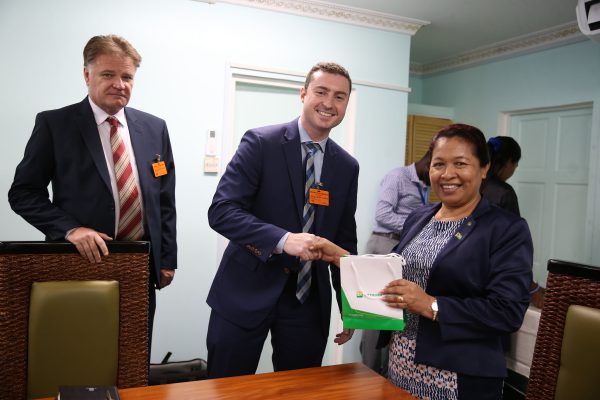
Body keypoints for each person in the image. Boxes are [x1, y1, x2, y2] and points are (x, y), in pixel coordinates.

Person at [8, 34, 177, 348]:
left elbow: (164, 199)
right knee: (78, 351)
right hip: (79, 262)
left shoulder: (155, 128)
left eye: (127, 76)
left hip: (139, 264)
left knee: (132, 354)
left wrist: (167, 259)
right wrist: (70, 229)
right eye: (108, 75)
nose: (119, 84)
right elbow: (23, 193)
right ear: (87, 75)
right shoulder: (55, 125)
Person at [206, 62, 359, 378]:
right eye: (321, 92)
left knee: (300, 392)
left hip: (307, 302)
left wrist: (351, 306)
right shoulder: (261, 143)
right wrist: (283, 239)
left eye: (340, 96)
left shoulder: (347, 167)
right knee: (225, 388)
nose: (329, 103)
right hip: (245, 290)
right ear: (303, 94)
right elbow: (222, 211)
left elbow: (344, 241)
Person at [376, 124, 533, 399]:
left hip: (457, 375)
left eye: (460, 163)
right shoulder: (418, 217)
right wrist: (360, 306)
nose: (448, 174)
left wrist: (431, 305)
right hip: (401, 363)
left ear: (484, 168)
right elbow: (398, 281)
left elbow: (507, 311)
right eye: (439, 164)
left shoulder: (506, 229)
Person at [362, 149, 432, 375]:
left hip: (402, 248)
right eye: (438, 166)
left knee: (394, 312)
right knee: (375, 316)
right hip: (383, 244)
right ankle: (368, 375)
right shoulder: (397, 177)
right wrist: (417, 224)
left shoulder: (425, 185)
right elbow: (382, 214)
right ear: (429, 160)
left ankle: (386, 375)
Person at [481, 136, 544, 308]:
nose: (515, 168)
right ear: (508, 162)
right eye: (516, 164)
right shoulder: (504, 193)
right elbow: (514, 248)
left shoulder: (472, 185)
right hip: (495, 278)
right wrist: (531, 287)